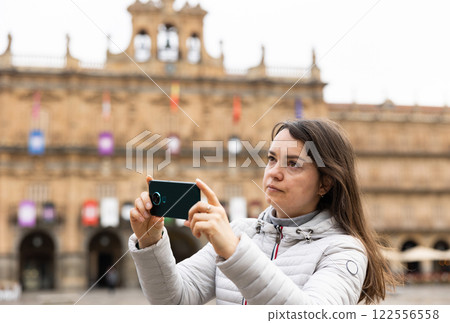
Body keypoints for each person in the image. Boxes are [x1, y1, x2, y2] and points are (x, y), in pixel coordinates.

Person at [128, 119, 398, 305]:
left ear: (325, 183)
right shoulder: (240, 232)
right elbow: (173, 301)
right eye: (271, 159)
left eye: (293, 164)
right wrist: (151, 241)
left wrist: (234, 252)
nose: (274, 173)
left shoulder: (343, 250)